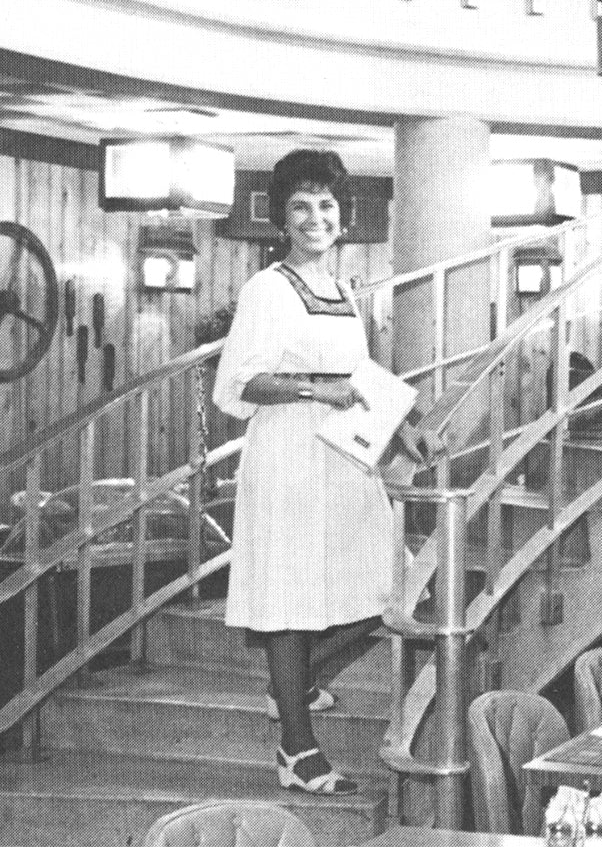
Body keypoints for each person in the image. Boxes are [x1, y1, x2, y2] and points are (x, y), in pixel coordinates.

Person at [213, 149, 433, 795]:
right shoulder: (267, 288)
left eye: (327, 207)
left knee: (389, 588)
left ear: (344, 219)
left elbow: (358, 379)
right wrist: (312, 389)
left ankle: (297, 682)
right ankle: (296, 747)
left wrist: (403, 428)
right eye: (302, 207)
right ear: (283, 219)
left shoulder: (342, 291)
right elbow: (237, 383)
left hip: (344, 456)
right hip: (287, 458)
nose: (316, 218)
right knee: (290, 601)